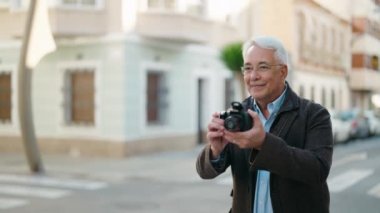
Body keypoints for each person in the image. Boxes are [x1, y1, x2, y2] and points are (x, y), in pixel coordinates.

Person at [196, 36, 333, 213]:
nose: (253, 76)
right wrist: (215, 151)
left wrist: (263, 143)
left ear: (283, 71)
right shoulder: (238, 115)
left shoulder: (314, 114)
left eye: (263, 67)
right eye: (247, 68)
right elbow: (204, 172)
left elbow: (318, 170)